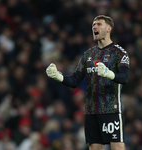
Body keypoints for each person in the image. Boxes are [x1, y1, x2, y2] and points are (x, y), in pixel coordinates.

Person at [46, 15, 129, 150]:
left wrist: (109, 73)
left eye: (98, 24)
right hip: (91, 110)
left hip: (110, 108)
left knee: (118, 147)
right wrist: (58, 76)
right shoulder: (88, 55)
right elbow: (74, 81)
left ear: (109, 29)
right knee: (94, 148)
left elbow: (125, 78)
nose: (94, 27)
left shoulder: (119, 53)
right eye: (93, 25)